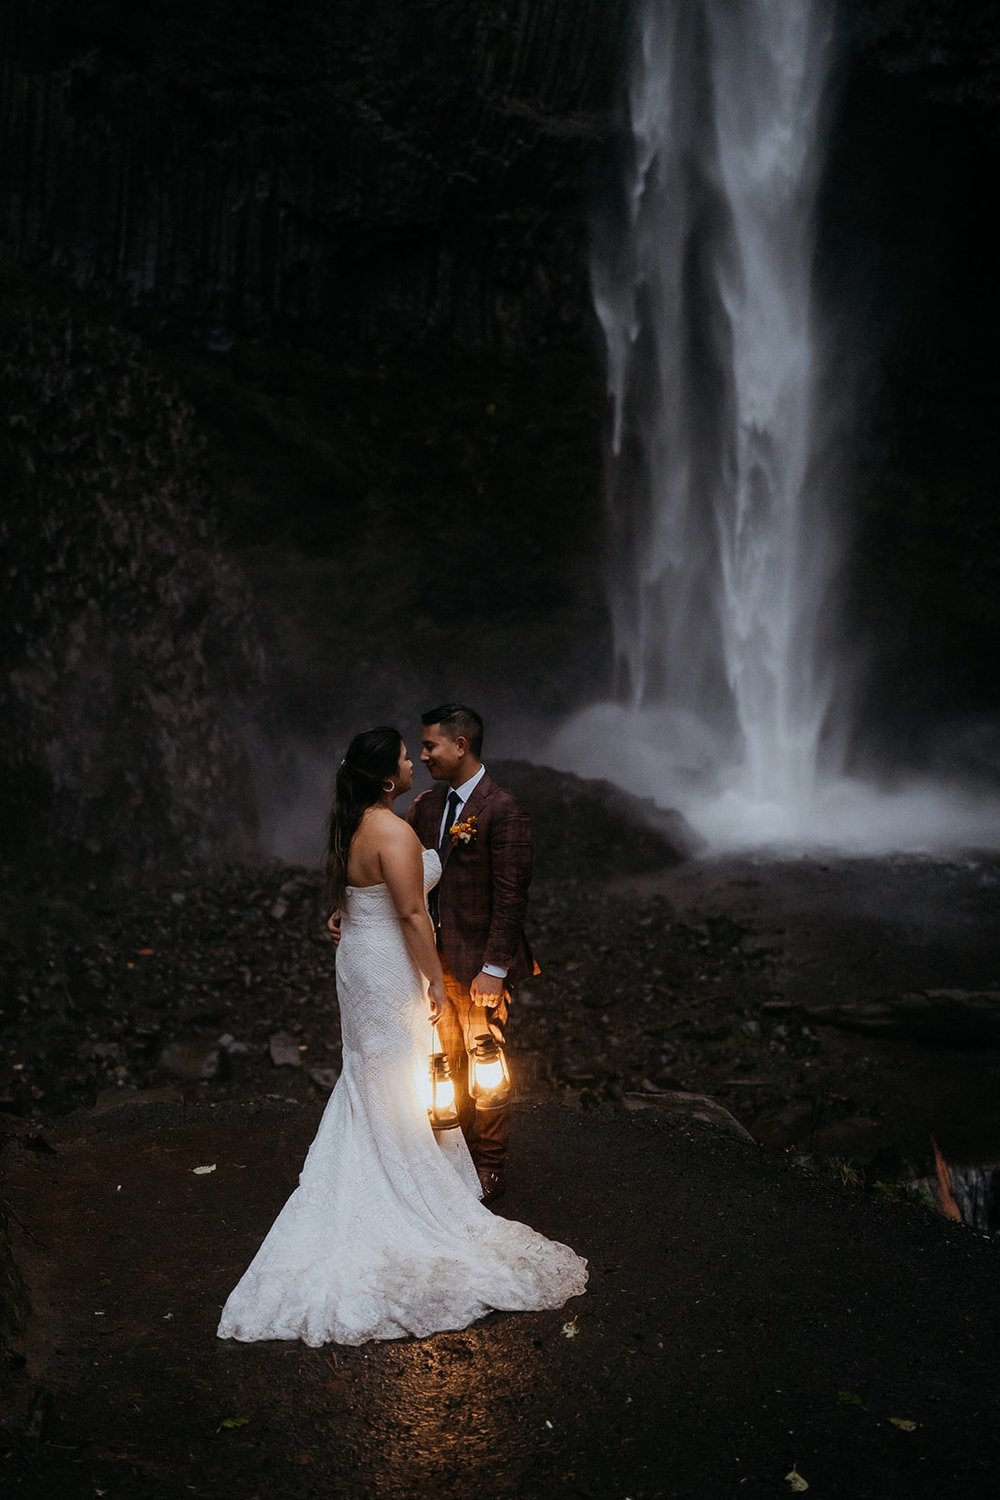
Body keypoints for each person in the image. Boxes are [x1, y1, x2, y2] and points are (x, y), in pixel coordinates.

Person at [216, 726, 586, 1347]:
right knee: (399, 1067)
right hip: (388, 964)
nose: (415, 761)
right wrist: (433, 980)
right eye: (405, 758)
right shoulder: (392, 829)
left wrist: (344, 917)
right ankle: (402, 1180)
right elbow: (413, 913)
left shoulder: (356, 824)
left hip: (359, 958)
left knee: (370, 1070)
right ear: (388, 777)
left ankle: (374, 1159)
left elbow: (359, 895)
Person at [407, 703, 536, 1205]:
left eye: (430, 746)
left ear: (460, 745)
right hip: (432, 965)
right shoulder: (425, 808)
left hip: (481, 969)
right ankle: (450, 1163)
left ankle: (489, 1168)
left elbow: (511, 896)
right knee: (443, 1066)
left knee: (486, 1066)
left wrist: (494, 969)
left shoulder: (504, 809)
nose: (422, 756)